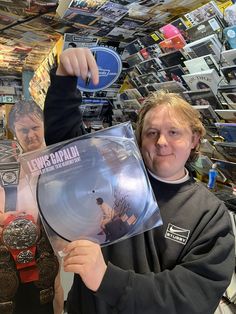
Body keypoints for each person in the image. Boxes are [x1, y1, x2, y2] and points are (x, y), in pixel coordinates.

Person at [44, 47, 234, 314]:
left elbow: (192, 298)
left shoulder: (210, 214)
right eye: (152, 132)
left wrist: (107, 279)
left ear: (194, 140)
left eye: (174, 132)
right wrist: (64, 77)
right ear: (139, 138)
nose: (162, 142)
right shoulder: (113, 175)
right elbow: (66, 147)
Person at [0, 100, 64, 314]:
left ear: (44, 125)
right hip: (11, 255)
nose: (30, 135)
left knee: (52, 290)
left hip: (49, 249)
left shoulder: (60, 161)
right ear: (14, 131)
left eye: (35, 127)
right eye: (23, 130)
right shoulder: (5, 166)